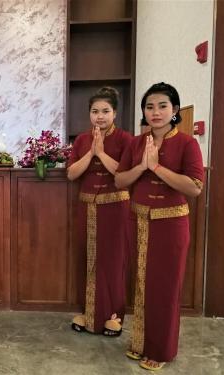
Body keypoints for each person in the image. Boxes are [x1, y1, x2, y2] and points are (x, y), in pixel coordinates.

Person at [115, 82, 204, 371]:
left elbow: (194, 188)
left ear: (175, 110)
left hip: (171, 224)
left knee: (165, 287)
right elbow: (120, 181)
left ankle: (161, 350)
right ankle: (140, 342)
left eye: (163, 106)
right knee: (141, 284)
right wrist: (142, 166)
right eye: (150, 106)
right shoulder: (136, 143)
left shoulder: (187, 143)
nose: (156, 112)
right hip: (138, 221)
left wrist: (156, 168)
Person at [67, 87, 133, 336]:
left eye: (105, 111)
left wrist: (102, 154)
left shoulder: (126, 139)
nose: (100, 116)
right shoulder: (83, 140)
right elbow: (72, 173)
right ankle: (88, 312)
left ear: (115, 113)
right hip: (87, 206)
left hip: (115, 207)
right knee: (87, 258)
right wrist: (91, 152)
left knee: (113, 261)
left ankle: (114, 315)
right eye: (95, 111)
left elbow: (124, 175)